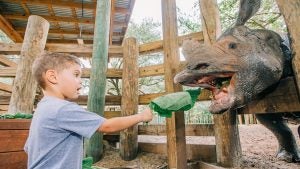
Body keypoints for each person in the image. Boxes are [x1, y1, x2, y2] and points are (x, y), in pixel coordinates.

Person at [24, 52, 153, 169]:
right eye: (76, 75)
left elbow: (28, 148)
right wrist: (141, 116)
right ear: (52, 77)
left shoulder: (42, 108)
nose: (81, 81)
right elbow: (107, 126)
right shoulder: (62, 109)